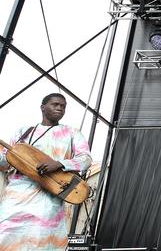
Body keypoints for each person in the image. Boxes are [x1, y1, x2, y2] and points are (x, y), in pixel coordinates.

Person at [0, 93, 92, 251]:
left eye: (63, 106)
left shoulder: (71, 132)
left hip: (47, 198)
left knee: (41, 241)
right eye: (55, 104)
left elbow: (86, 159)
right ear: (43, 108)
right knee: (6, 236)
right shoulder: (24, 132)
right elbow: (4, 163)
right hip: (16, 197)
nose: (60, 108)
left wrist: (59, 164)